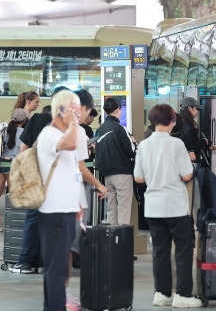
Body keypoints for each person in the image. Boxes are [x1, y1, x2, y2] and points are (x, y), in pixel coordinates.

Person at [133, 104, 202, 308]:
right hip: (175, 205)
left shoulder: (144, 145)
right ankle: (182, 294)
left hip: (153, 206)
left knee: (160, 251)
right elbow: (187, 174)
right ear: (172, 121)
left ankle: (162, 293)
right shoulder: (177, 145)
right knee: (183, 250)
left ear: (152, 122)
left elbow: (138, 177)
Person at [11, 86, 69, 274]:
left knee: (33, 219)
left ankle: (25, 262)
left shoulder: (37, 119)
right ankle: (47, 264)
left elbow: (23, 150)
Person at [36, 89, 82, 311]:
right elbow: (72, 143)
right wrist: (73, 122)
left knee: (59, 266)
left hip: (65, 209)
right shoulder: (50, 134)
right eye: (75, 108)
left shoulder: (61, 135)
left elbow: (70, 172)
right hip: (53, 211)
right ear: (61, 110)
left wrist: (77, 204)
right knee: (57, 269)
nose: (79, 113)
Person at [65, 90, 107, 310]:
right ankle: (61, 296)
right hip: (70, 199)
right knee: (68, 249)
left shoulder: (51, 128)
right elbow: (81, 168)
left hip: (49, 199)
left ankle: (55, 294)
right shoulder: (78, 131)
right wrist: (99, 184)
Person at [0, 108, 29, 232]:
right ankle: (16, 223)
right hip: (13, 166)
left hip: (1, 164)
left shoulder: (4, 130)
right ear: (24, 120)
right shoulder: (24, 133)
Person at [95, 98, 136, 225]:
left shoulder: (100, 130)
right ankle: (122, 241)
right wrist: (134, 141)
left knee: (111, 209)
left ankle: (111, 241)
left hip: (107, 176)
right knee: (123, 208)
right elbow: (131, 151)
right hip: (122, 174)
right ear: (118, 110)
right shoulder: (120, 128)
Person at [178, 97, 215, 168]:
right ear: (189, 108)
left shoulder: (179, 123)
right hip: (188, 163)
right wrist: (204, 142)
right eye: (196, 108)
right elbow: (192, 145)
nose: (198, 111)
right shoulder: (188, 127)